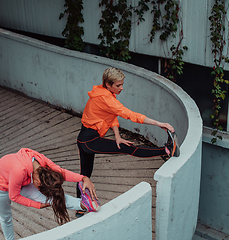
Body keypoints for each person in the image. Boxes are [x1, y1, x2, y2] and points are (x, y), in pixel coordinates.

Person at [75, 67, 180, 217]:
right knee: (127, 149)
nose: (122, 88)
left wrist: (117, 136)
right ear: (107, 84)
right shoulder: (106, 98)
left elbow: (112, 116)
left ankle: (80, 207)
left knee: (85, 174)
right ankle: (167, 150)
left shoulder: (103, 93)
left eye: (122, 84)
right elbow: (130, 115)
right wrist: (159, 123)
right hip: (88, 140)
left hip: (86, 138)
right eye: (118, 85)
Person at [0, 148, 101, 240]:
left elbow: (60, 172)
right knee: (5, 218)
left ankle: (84, 204)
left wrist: (83, 178)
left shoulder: (41, 161)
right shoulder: (19, 170)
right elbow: (13, 196)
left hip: (23, 182)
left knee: (52, 198)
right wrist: (37, 205)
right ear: (37, 182)